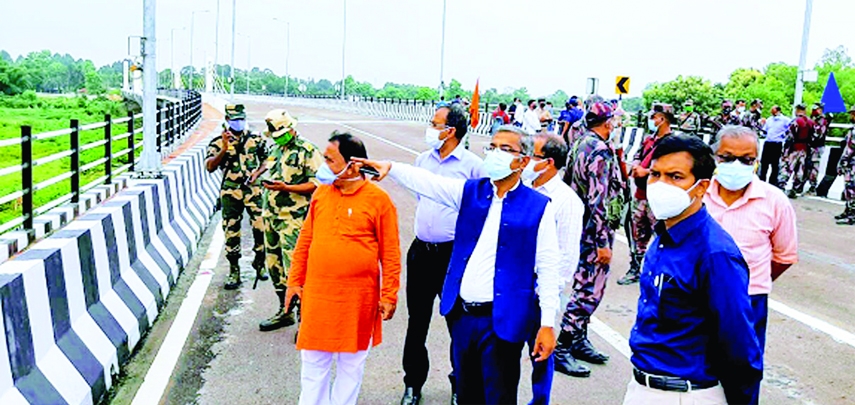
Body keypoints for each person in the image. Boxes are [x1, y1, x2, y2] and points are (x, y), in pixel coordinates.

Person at [356, 125, 562, 405]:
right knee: (467, 395)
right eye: (492, 147)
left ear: (523, 161)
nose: (495, 154)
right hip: (463, 317)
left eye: (505, 149)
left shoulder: (538, 206)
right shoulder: (471, 192)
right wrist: (391, 167)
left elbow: (549, 266)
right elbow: (428, 183)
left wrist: (547, 323)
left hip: (502, 320)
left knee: (499, 397)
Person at [624, 135, 763, 405]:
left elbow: (738, 341)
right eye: (655, 174)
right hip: (642, 385)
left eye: (675, 177)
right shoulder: (664, 235)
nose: (660, 185)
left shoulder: (715, 253)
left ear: (701, 187)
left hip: (685, 394)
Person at [286, 132, 402, 405]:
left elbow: (391, 253)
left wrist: (389, 295)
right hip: (318, 296)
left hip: (357, 299)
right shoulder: (321, 194)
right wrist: (294, 281)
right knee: (313, 363)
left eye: (329, 159)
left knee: (351, 365)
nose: (322, 165)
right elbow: (305, 240)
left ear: (353, 164)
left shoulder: (378, 200)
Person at [401, 104, 483, 405]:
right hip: (421, 252)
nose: (430, 128)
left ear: (451, 131)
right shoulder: (423, 160)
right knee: (417, 321)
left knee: (457, 324)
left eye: (435, 124)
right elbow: (420, 197)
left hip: (453, 256)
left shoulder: (474, 166)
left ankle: (461, 383)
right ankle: (412, 383)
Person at [704, 125, 799, 355]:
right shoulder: (697, 194)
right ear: (714, 157)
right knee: (693, 373)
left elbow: (784, 257)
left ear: (757, 161)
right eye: (727, 158)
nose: (736, 166)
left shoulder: (775, 201)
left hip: (748, 302)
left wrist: (751, 281)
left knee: (742, 373)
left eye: (746, 160)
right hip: (696, 297)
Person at [556, 102, 625, 377]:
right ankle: (562, 346)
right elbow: (598, 199)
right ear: (607, 122)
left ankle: (578, 340)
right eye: (616, 121)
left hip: (580, 225)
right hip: (594, 230)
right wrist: (602, 242)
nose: (618, 125)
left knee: (583, 284)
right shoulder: (599, 150)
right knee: (589, 291)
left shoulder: (581, 142)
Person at [522, 133, 585, 402]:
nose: (523, 159)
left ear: (547, 162)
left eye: (531, 154)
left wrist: (546, 296)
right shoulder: (521, 187)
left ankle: (539, 400)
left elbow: (566, 257)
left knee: (540, 351)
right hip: (511, 283)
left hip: (539, 289)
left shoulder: (566, 201)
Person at [255, 109, 323, 331]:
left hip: (294, 219)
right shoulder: (276, 148)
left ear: (292, 129)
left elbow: (317, 184)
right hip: (271, 216)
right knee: (274, 266)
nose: (277, 137)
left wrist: (287, 188)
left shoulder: (307, 150)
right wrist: (257, 175)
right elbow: (268, 166)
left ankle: (305, 319)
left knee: (296, 268)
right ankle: (284, 312)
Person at [205, 104, 268, 290]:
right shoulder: (218, 142)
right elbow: (210, 167)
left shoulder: (256, 139)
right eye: (234, 120)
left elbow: (268, 159)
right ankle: (234, 269)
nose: (238, 123)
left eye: (241, 119)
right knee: (231, 231)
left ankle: (259, 263)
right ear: (227, 120)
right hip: (231, 191)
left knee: (260, 227)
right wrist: (224, 148)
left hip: (253, 189)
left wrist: (257, 173)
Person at [617, 103, 675, 285]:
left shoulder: (672, 143)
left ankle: (660, 272)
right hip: (641, 194)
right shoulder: (649, 139)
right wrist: (636, 165)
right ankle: (635, 267)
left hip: (658, 197)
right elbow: (638, 155)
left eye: (654, 117)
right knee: (636, 233)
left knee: (661, 236)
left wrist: (648, 171)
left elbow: (673, 169)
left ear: (662, 119)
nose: (651, 120)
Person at [777, 104, 815, 198]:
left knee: (787, 168)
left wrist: (785, 151)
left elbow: (789, 137)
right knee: (800, 170)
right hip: (805, 148)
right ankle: (795, 188)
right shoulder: (810, 122)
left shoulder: (795, 122)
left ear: (797, 110)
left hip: (794, 148)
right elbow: (814, 136)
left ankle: (781, 186)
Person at [759, 106, 791, 183]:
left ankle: (773, 182)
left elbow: (791, 129)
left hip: (777, 143)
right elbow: (764, 131)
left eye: (773, 111)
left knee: (775, 164)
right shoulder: (769, 120)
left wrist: (785, 135)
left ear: (778, 111)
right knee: (764, 163)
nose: (772, 112)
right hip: (768, 143)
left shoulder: (785, 120)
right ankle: (762, 180)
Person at [836, 105, 855, 225]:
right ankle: (848, 210)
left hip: (852, 162)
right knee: (849, 188)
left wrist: (843, 161)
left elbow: (851, 148)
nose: (851, 116)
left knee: (851, 189)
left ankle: (852, 214)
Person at [807, 102, 829, 194]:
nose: (813, 111)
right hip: (811, 145)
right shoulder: (814, 119)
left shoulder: (822, 120)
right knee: (808, 166)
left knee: (814, 166)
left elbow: (818, 134)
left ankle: (813, 186)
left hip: (817, 146)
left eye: (815, 109)